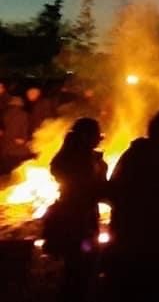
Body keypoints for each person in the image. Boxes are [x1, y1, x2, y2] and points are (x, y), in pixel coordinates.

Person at [107, 109, 159, 302]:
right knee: (156, 288)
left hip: (128, 236)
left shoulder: (132, 155)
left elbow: (113, 190)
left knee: (128, 288)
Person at [43, 118, 108, 302]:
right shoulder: (83, 161)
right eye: (97, 137)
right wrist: (101, 170)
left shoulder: (66, 157)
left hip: (71, 217)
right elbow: (94, 190)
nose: (99, 141)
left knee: (74, 268)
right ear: (87, 137)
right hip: (81, 220)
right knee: (82, 269)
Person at [1, 96, 34, 173]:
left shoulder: (4, 114)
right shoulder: (23, 114)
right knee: (19, 171)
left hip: (6, 148)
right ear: (21, 104)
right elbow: (27, 129)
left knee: (6, 171)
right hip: (20, 149)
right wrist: (25, 139)